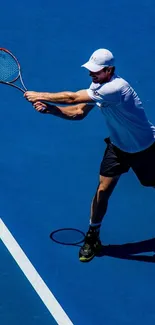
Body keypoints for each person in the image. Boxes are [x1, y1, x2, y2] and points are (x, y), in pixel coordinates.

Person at [24, 48, 155, 263]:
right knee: (102, 190)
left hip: (146, 148)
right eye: (90, 70)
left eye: (96, 71)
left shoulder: (116, 88)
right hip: (118, 148)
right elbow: (78, 112)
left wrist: (40, 94)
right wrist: (51, 110)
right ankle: (93, 236)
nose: (91, 74)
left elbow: (72, 97)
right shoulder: (98, 86)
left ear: (109, 70)